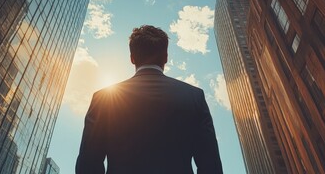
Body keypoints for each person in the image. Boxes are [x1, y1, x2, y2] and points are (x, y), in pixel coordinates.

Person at [76, 25, 223, 174]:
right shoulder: (194, 96)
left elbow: (88, 163)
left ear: (132, 58)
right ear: (166, 57)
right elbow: (211, 164)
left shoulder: (103, 99)